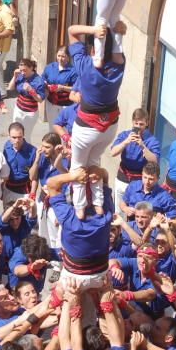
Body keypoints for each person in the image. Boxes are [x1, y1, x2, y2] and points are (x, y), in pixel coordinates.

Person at [68, 21, 126, 216]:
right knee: (94, 161)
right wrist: (118, 34)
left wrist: (93, 30)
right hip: (109, 127)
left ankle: (79, 207)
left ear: (93, 49)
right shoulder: (119, 66)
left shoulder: (85, 66)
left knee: (78, 166)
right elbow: (117, 53)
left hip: (87, 127)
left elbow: (71, 31)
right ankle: (99, 203)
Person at [111, 108, 161, 210]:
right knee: (119, 209)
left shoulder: (152, 140)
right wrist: (126, 141)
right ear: (133, 122)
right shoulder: (125, 135)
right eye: (136, 123)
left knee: (137, 211)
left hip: (139, 181)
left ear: (146, 123)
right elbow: (113, 152)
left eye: (141, 124)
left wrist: (142, 146)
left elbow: (155, 161)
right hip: (123, 177)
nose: (138, 127)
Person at [8, 58, 46, 143]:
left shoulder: (39, 81)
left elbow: (40, 100)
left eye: (25, 70)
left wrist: (31, 91)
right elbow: (10, 88)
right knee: (15, 132)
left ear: (31, 67)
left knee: (25, 135)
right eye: (21, 70)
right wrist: (15, 76)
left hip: (30, 113)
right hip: (18, 109)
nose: (22, 73)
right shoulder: (20, 76)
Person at [41, 46, 77, 127]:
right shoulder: (50, 67)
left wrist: (62, 87)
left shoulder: (73, 71)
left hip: (66, 105)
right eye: (59, 56)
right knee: (52, 126)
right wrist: (45, 84)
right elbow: (42, 78)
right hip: (51, 102)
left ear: (68, 57)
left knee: (64, 128)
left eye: (63, 56)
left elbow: (76, 88)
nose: (60, 59)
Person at [2, 122, 37, 204]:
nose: (17, 140)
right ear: (9, 136)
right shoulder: (6, 147)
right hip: (8, 189)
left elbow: (35, 177)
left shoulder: (32, 151)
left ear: (23, 136)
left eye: (19, 137)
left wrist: (32, 194)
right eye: (14, 137)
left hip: (25, 190)